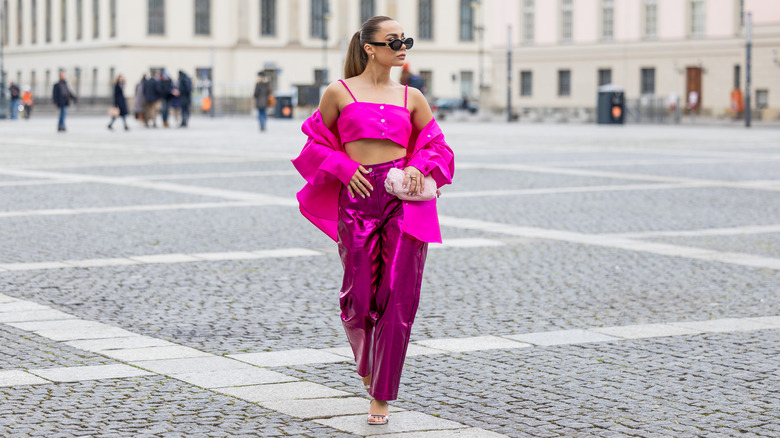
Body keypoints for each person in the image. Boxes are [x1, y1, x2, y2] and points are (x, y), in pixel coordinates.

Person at [291, 16, 454, 426]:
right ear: (369, 48)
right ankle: (367, 360)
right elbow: (313, 146)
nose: (403, 47)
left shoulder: (412, 97)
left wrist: (419, 165)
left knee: (398, 297)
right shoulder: (339, 93)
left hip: (402, 199)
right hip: (357, 199)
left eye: (407, 40)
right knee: (359, 297)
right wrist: (343, 167)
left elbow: (436, 146)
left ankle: (381, 394)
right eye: (394, 40)